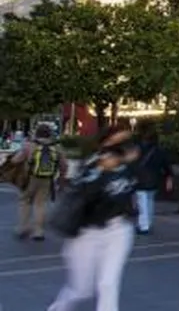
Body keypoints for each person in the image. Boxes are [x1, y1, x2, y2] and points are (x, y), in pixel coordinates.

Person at [48, 124, 140, 311]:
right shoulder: (92, 164)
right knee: (81, 290)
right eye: (116, 142)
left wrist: (130, 163)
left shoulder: (129, 165)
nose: (122, 146)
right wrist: (101, 171)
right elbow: (80, 193)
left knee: (107, 284)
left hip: (118, 230)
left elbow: (137, 189)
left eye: (126, 141)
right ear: (105, 142)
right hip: (86, 232)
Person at [13, 124, 66, 241]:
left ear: (36, 133)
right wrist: (61, 179)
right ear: (50, 134)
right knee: (40, 204)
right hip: (47, 179)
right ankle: (39, 231)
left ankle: (23, 228)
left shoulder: (29, 145)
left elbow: (15, 160)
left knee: (25, 202)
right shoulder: (57, 147)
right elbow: (64, 165)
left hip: (29, 178)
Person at [130, 126, 172, 235]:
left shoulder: (138, 149)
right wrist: (168, 178)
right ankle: (148, 223)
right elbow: (166, 167)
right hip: (155, 180)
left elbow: (132, 164)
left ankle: (143, 226)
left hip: (141, 180)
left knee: (142, 204)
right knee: (150, 202)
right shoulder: (159, 150)